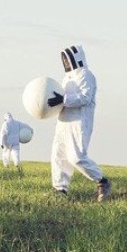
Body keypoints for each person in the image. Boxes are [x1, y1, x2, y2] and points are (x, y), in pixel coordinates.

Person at [47, 45, 110, 201]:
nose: (65, 62)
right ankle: (60, 189)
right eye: (63, 59)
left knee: (76, 157)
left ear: (76, 58)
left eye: (67, 59)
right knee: (59, 155)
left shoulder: (86, 75)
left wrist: (63, 100)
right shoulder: (66, 78)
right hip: (63, 121)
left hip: (79, 121)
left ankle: (102, 181)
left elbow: (85, 97)